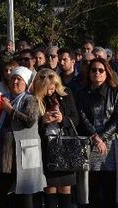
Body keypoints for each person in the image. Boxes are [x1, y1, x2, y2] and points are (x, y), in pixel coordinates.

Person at [74, 58, 118, 208]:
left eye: (101, 70)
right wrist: (95, 137)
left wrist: (101, 137)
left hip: (111, 144)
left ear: (107, 72)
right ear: (89, 73)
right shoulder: (81, 93)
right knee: (91, 186)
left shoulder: (115, 92)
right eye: (93, 70)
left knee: (110, 185)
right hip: (89, 143)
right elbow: (81, 116)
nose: (97, 73)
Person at [0, 66, 44, 208]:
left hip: (24, 156)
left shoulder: (30, 99)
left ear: (26, 83)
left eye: (19, 79)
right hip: (6, 157)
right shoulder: (4, 99)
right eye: (13, 78)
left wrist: (10, 110)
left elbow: (29, 121)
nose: (15, 82)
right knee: (1, 197)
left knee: (24, 198)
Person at [32, 68, 78, 208]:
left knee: (65, 188)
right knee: (50, 187)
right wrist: (42, 121)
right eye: (47, 89)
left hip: (65, 146)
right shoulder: (34, 99)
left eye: (53, 88)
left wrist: (62, 119)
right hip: (46, 148)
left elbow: (76, 119)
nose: (50, 92)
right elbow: (29, 125)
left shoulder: (66, 94)